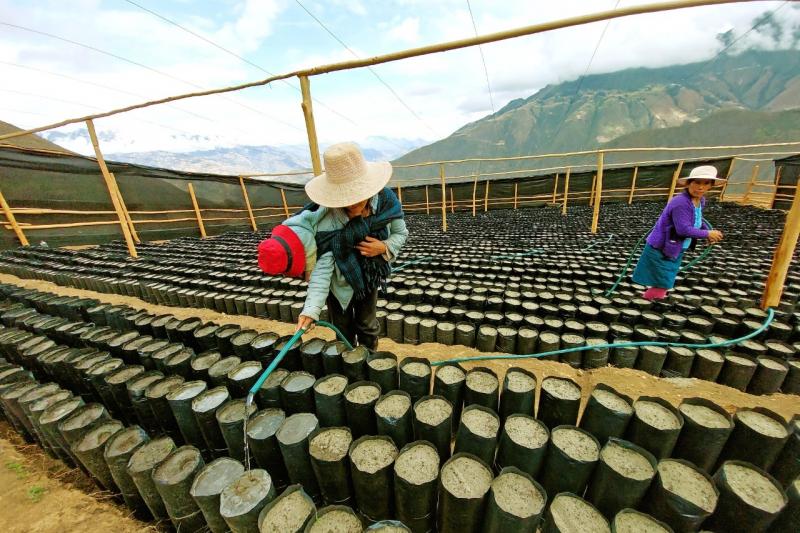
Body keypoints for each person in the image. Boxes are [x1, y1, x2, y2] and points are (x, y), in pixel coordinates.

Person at [293, 142, 408, 349]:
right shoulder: (326, 219)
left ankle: (370, 363)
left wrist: (384, 247)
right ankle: (350, 369)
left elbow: (401, 233)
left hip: (368, 276)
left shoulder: (386, 203)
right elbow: (322, 269)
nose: (352, 204)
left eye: (356, 196)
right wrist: (311, 310)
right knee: (342, 329)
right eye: (345, 198)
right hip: (336, 285)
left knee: (367, 326)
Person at [632, 165, 725, 301]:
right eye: (697, 182)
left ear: (711, 186)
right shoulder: (681, 203)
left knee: (664, 280)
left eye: (706, 183)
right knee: (663, 282)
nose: (700, 187)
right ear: (689, 183)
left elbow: (697, 220)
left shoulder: (700, 201)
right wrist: (707, 234)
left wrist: (706, 230)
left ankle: (651, 299)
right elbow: (683, 229)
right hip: (662, 247)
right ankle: (646, 302)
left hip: (675, 247)